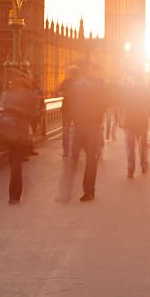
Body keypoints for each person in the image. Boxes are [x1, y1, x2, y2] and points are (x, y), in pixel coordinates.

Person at [56, 60, 106, 202]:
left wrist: (96, 120)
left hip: (91, 126)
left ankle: (88, 191)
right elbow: (70, 102)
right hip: (79, 126)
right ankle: (66, 193)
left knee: (89, 159)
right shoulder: (75, 85)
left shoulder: (98, 84)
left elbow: (104, 103)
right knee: (74, 159)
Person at [0, 71, 39, 204]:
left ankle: (14, 195)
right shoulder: (12, 92)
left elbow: (31, 114)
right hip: (11, 130)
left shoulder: (28, 94)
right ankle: (15, 194)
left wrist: (13, 108)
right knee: (14, 164)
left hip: (17, 132)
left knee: (15, 165)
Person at [119, 77, 150, 178]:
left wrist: (121, 120)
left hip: (129, 121)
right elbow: (149, 104)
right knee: (143, 144)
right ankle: (144, 164)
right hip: (142, 120)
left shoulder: (127, 90)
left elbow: (121, 105)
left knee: (130, 145)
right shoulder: (145, 91)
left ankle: (130, 168)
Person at [58, 66, 80, 158]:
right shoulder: (81, 83)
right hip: (78, 110)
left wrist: (67, 95)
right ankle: (75, 151)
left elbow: (60, 94)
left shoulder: (65, 82)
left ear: (70, 73)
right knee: (78, 130)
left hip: (67, 109)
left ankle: (66, 151)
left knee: (66, 130)